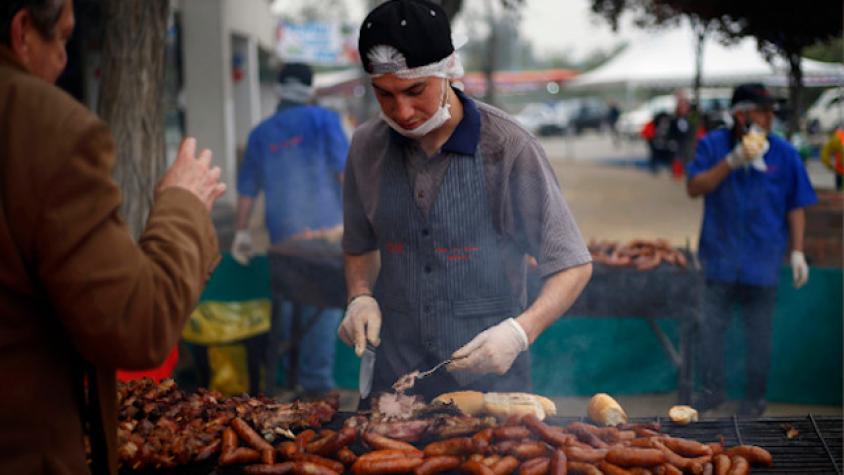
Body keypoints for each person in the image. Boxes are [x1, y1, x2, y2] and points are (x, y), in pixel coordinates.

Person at [0, 0, 225, 472]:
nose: (65, 61)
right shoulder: (40, 122)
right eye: (62, 38)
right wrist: (183, 203)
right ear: (22, 32)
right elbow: (136, 325)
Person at [339, 0, 593, 403]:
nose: (401, 111)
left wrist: (519, 332)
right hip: (394, 383)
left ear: (449, 72)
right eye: (384, 95)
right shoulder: (366, 147)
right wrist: (360, 296)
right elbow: (358, 243)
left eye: (414, 90)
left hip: (492, 393)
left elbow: (572, 265)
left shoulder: (509, 147)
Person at [686, 83, 817, 417]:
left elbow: (796, 206)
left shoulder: (784, 153)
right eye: (763, 111)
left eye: (772, 112)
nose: (770, 118)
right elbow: (694, 186)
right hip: (718, 259)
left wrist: (797, 251)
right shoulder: (713, 145)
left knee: (759, 334)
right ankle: (713, 391)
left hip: (763, 261)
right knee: (712, 330)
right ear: (740, 115)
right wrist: (732, 161)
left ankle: (755, 398)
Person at [231, 62, 349, 397]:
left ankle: (282, 382)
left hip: (284, 241)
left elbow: (247, 189)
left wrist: (241, 233)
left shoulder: (261, 133)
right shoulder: (323, 120)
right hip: (325, 239)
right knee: (322, 308)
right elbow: (344, 173)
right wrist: (361, 218)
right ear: (310, 90)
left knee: (286, 305)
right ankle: (316, 385)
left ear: (280, 90)